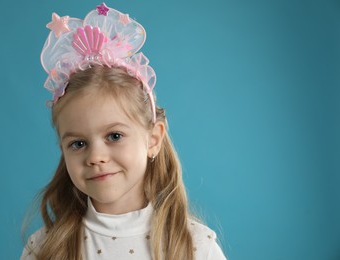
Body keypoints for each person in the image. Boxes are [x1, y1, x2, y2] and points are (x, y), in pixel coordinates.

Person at [21, 3, 226, 260]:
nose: (96, 156)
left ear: (153, 139)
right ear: (63, 149)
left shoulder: (195, 247)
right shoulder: (45, 248)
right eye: (78, 143)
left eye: (114, 136)